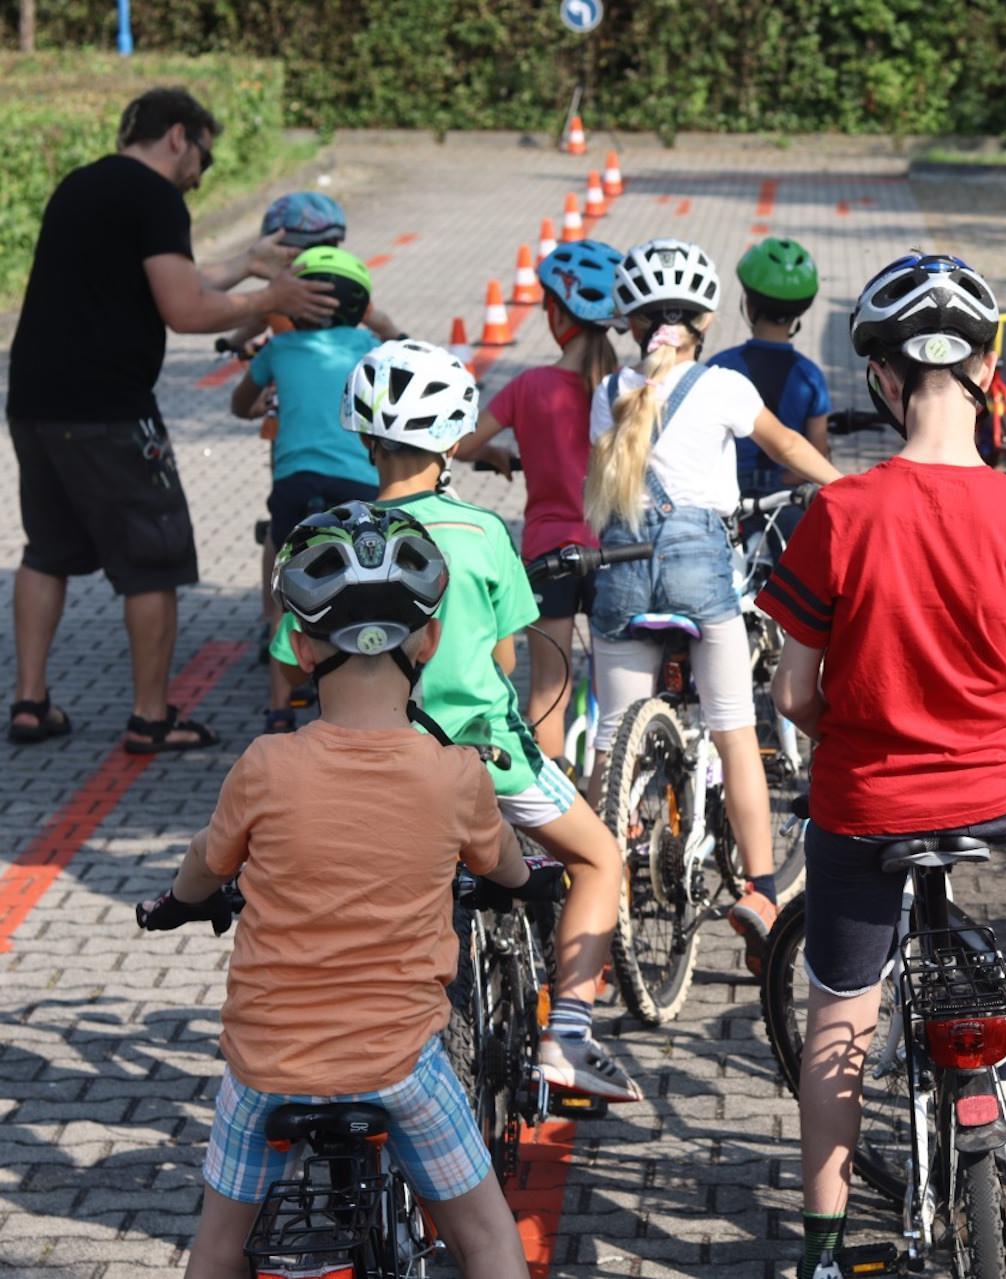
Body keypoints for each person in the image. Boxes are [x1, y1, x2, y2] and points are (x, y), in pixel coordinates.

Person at [759, 252, 1006, 1278]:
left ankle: (825, 1253)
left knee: (842, 1018)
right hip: (1001, 791)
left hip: (862, 802)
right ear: (991, 363)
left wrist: (872, 721)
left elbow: (792, 695)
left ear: (880, 377)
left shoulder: (837, 513)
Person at [135, 504, 534, 1279]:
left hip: (266, 1064)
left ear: (300, 645)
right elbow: (507, 867)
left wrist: (180, 902)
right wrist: (527, 883)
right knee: (487, 1238)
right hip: (399, 1062)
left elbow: (204, 869)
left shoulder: (264, 765)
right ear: (430, 642)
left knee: (217, 1247)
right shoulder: (457, 775)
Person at [268, 340, 643, 1103]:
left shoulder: (331, 540)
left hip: (372, 762)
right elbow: (507, 656)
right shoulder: (484, 536)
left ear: (363, 438)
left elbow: (288, 662)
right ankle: (568, 1032)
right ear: (452, 442)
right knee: (600, 858)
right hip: (488, 760)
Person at [7, 86, 332, 752]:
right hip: (109, 408)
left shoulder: (85, 184)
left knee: (48, 550)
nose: (197, 177)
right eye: (202, 162)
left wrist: (244, 265)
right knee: (155, 559)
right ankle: (150, 716)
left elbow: (166, 276)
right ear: (179, 136)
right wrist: (271, 296)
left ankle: (30, 701)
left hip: (36, 400)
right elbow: (183, 310)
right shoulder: (155, 197)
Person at [586, 238, 842, 973]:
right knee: (734, 729)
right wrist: (846, 491)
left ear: (632, 325)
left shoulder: (609, 393)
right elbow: (788, 443)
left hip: (622, 571)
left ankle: (600, 912)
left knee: (610, 744)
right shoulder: (724, 385)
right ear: (705, 320)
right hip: (702, 578)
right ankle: (761, 891)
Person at [452, 239, 626, 764]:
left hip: (548, 554)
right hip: (614, 553)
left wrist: (501, 452)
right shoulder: (623, 389)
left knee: (547, 694)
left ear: (555, 312)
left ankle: (552, 819)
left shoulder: (529, 387)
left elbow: (457, 442)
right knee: (617, 693)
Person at [230, 247, 383, 735]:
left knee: (287, 593)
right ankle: (357, 695)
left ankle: (278, 708)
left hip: (295, 487)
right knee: (364, 585)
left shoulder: (278, 349)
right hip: (356, 483)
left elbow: (241, 405)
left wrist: (261, 408)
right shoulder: (366, 346)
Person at [708, 237, 832, 499]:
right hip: (782, 498)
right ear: (800, 312)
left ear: (749, 305)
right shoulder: (809, 376)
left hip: (729, 494)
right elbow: (817, 452)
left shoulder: (719, 367)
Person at [221, 191, 405, 355]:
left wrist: (231, 343)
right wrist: (400, 338)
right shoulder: (344, 290)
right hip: (337, 368)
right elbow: (377, 320)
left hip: (287, 365)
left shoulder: (278, 293)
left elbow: (254, 325)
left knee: (259, 392)